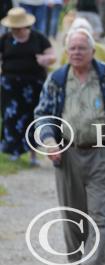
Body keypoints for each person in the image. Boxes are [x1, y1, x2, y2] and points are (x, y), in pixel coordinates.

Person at [33, 28, 105, 265]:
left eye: (82, 48)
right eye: (72, 48)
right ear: (66, 52)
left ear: (93, 51)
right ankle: (78, 264)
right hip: (67, 153)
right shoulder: (57, 79)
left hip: (101, 153)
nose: (77, 52)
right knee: (72, 213)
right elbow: (42, 114)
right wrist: (48, 140)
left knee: (100, 213)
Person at [0, 7, 55, 165]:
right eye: (13, 28)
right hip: (10, 85)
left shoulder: (38, 38)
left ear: (25, 25)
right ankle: (13, 151)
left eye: (18, 27)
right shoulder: (5, 39)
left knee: (33, 118)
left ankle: (33, 154)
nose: (16, 30)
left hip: (33, 84)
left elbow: (52, 55)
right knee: (11, 117)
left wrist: (45, 59)